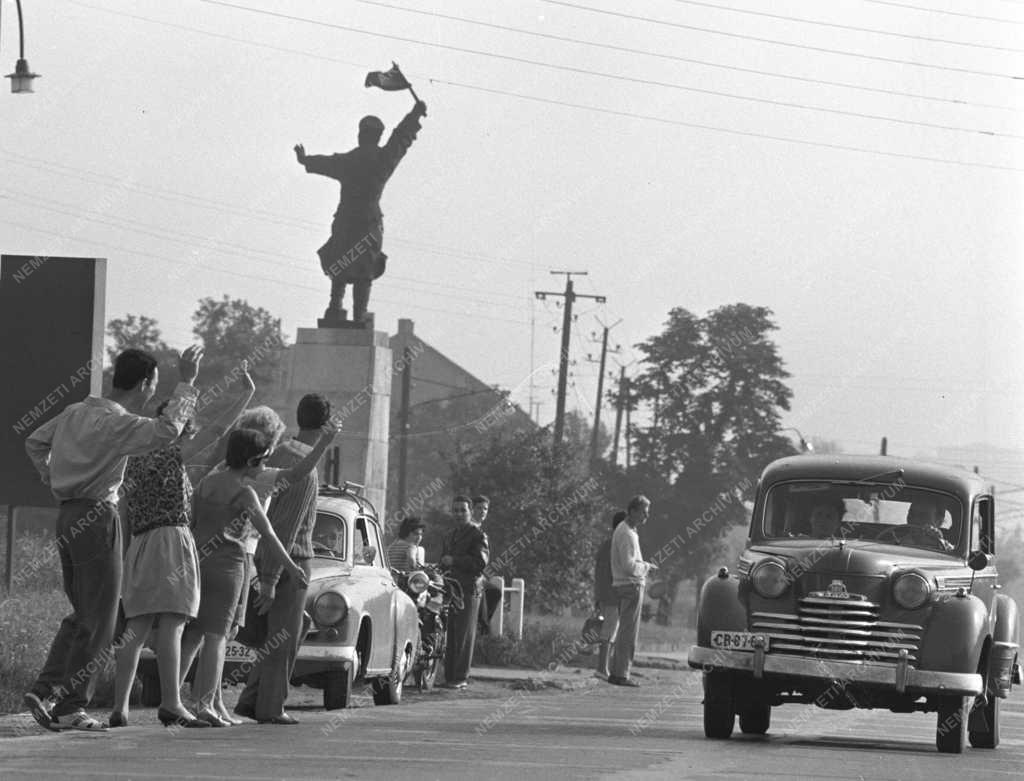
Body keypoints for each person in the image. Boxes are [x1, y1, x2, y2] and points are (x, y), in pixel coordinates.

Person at [22, 346, 202, 732]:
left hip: (68, 513)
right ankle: (71, 705)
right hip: (97, 517)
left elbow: (35, 441)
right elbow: (168, 431)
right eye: (153, 384)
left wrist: (51, 477)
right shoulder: (120, 424)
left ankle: (47, 687)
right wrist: (187, 381)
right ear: (144, 383)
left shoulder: (75, 413)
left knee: (83, 612)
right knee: (103, 619)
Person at [107, 361, 256, 729]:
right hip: (171, 538)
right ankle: (172, 702)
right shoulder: (173, 453)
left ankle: (120, 705)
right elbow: (221, 433)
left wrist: (126, 554)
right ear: (181, 430)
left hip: (139, 543)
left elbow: (124, 509)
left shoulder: (132, 459)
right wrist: (245, 395)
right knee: (174, 621)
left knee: (137, 626)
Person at [180, 421, 339, 727]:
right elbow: (269, 535)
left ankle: (178, 702)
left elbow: (193, 523)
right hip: (230, 567)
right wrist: (291, 568)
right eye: (264, 459)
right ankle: (205, 706)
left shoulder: (206, 483)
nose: (267, 464)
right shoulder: (246, 493)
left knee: (194, 634)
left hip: (200, 564)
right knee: (218, 638)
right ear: (253, 461)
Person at [234, 394, 334, 725]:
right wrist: (272, 578)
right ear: (325, 426)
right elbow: (286, 527)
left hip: (265, 553)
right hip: (291, 558)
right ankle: (271, 706)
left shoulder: (279, 452)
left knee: (298, 625)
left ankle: (251, 698)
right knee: (283, 639)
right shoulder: (303, 468)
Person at [294, 99, 428, 324]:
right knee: (364, 270)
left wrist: (305, 160)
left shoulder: (349, 160)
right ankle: (359, 315)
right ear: (378, 136)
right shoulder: (384, 160)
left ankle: (334, 308)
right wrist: (415, 115)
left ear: (360, 134)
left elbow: (326, 163)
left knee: (340, 265)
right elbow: (401, 139)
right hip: (369, 223)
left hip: (346, 221)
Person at [440, 495, 489, 689]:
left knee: (464, 634)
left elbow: (480, 563)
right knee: (450, 634)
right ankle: (449, 676)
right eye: (456, 510)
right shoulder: (450, 535)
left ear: (471, 512)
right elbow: (443, 559)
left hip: (468, 590)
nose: (459, 514)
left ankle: (460, 677)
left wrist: (455, 561)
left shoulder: (478, 535)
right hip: (450, 589)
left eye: (463, 510)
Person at [608, 495, 656, 687]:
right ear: (634, 511)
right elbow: (629, 566)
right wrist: (646, 567)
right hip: (630, 584)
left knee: (624, 631)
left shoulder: (626, 530)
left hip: (624, 584)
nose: (646, 516)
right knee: (628, 633)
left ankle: (617, 671)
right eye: (644, 512)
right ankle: (621, 674)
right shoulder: (626, 533)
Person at [593, 510, 627, 680]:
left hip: (603, 594)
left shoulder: (606, 544)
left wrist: (597, 596)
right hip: (613, 594)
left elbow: (598, 573)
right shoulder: (617, 546)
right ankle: (602, 668)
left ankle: (605, 667)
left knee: (609, 631)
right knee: (609, 632)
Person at [472, 495, 500, 635]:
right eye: (479, 508)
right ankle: (481, 628)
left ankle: (481, 625)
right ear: (472, 509)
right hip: (471, 575)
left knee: (494, 592)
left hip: (479, 574)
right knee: (488, 593)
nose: (482, 511)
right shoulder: (471, 528)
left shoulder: (480, 530)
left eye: (485, 509)